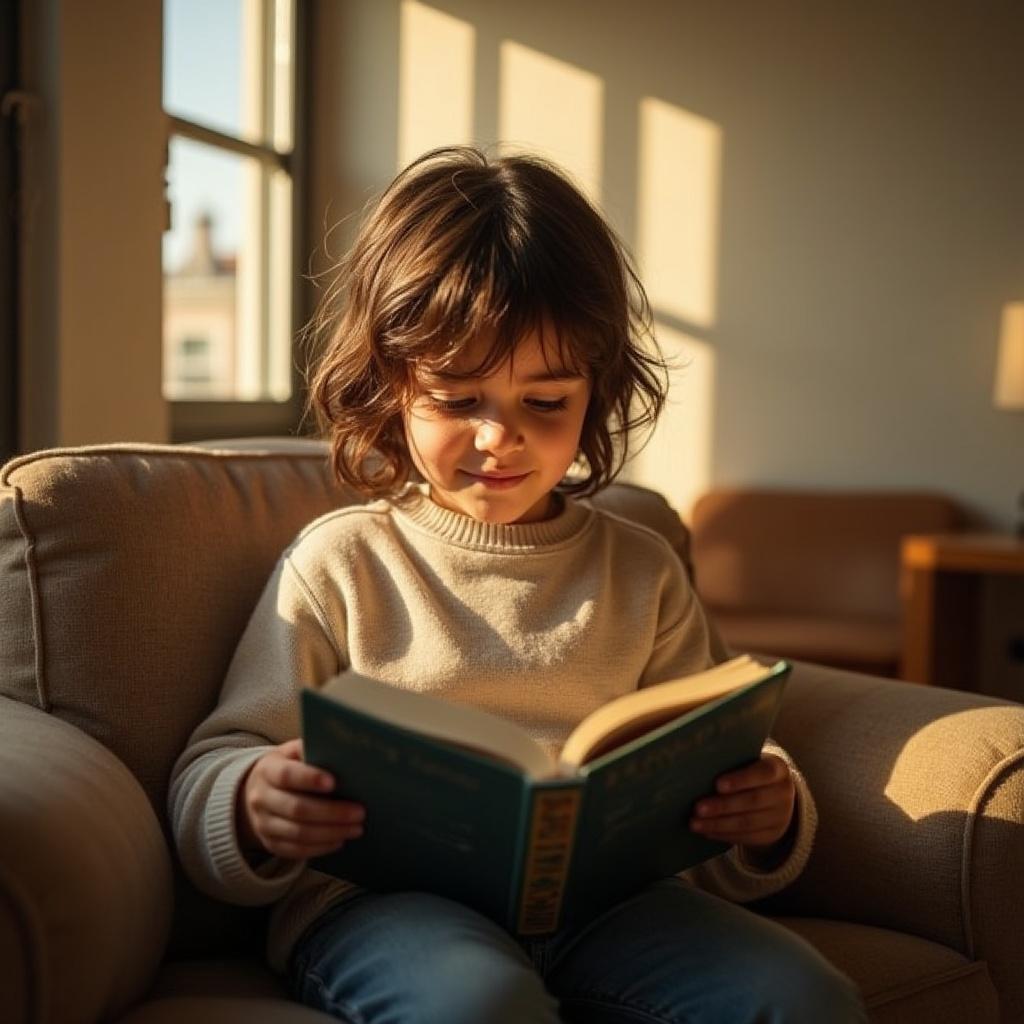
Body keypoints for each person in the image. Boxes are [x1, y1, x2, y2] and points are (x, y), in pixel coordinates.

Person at [170, 146, 866, 1024]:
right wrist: (250, 801)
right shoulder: (339, 562)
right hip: (383, 908)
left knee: (802, 997)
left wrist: (767, 811)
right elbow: (216, 761)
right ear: (390, 385)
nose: (500, 438)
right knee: (481, 1005)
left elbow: (715, 746)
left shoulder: (640, 568)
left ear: (595, 396)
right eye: (459, 399)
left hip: (617, 907)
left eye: (545, 403)